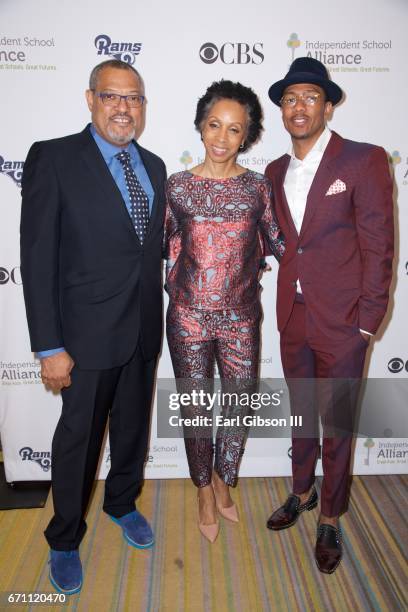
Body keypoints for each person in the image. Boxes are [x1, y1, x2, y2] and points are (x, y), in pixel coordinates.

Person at [20, 59, 166, 594]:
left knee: (131, 430)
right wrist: (49, 346)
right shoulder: (53, 158)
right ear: (89, 99)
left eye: (134, 98)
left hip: (144, 330)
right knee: (79, 441)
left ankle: (122, 504)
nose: (123, 107)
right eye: (112, 96)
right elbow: (36, 259)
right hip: (82, 338)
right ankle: (63, 537)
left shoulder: (153, 167)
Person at [264, 57, 394, 573]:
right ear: (282, 109)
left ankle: (332, 517)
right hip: (291, 316)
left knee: (337, 422)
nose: (299, 107)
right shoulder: (274, 171)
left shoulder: (363, 160)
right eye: (290, 99)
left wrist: (368, 320)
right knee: (301, 414)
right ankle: (302, 491)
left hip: (344, 321)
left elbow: (380, 245)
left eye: (310, 97)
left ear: (329, 105)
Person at [164, 80, 284, 543]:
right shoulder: (176, 187)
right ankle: (201, 489)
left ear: (246, 136)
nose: (221, 137)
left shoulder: (258, 187)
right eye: (214, 124)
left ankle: (223, 477)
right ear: (200, 125)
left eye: (234, 130)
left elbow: (279, 243)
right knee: (195, 409)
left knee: (238, 404)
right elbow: (158, 246)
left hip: (241, 317)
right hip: (188, 316)